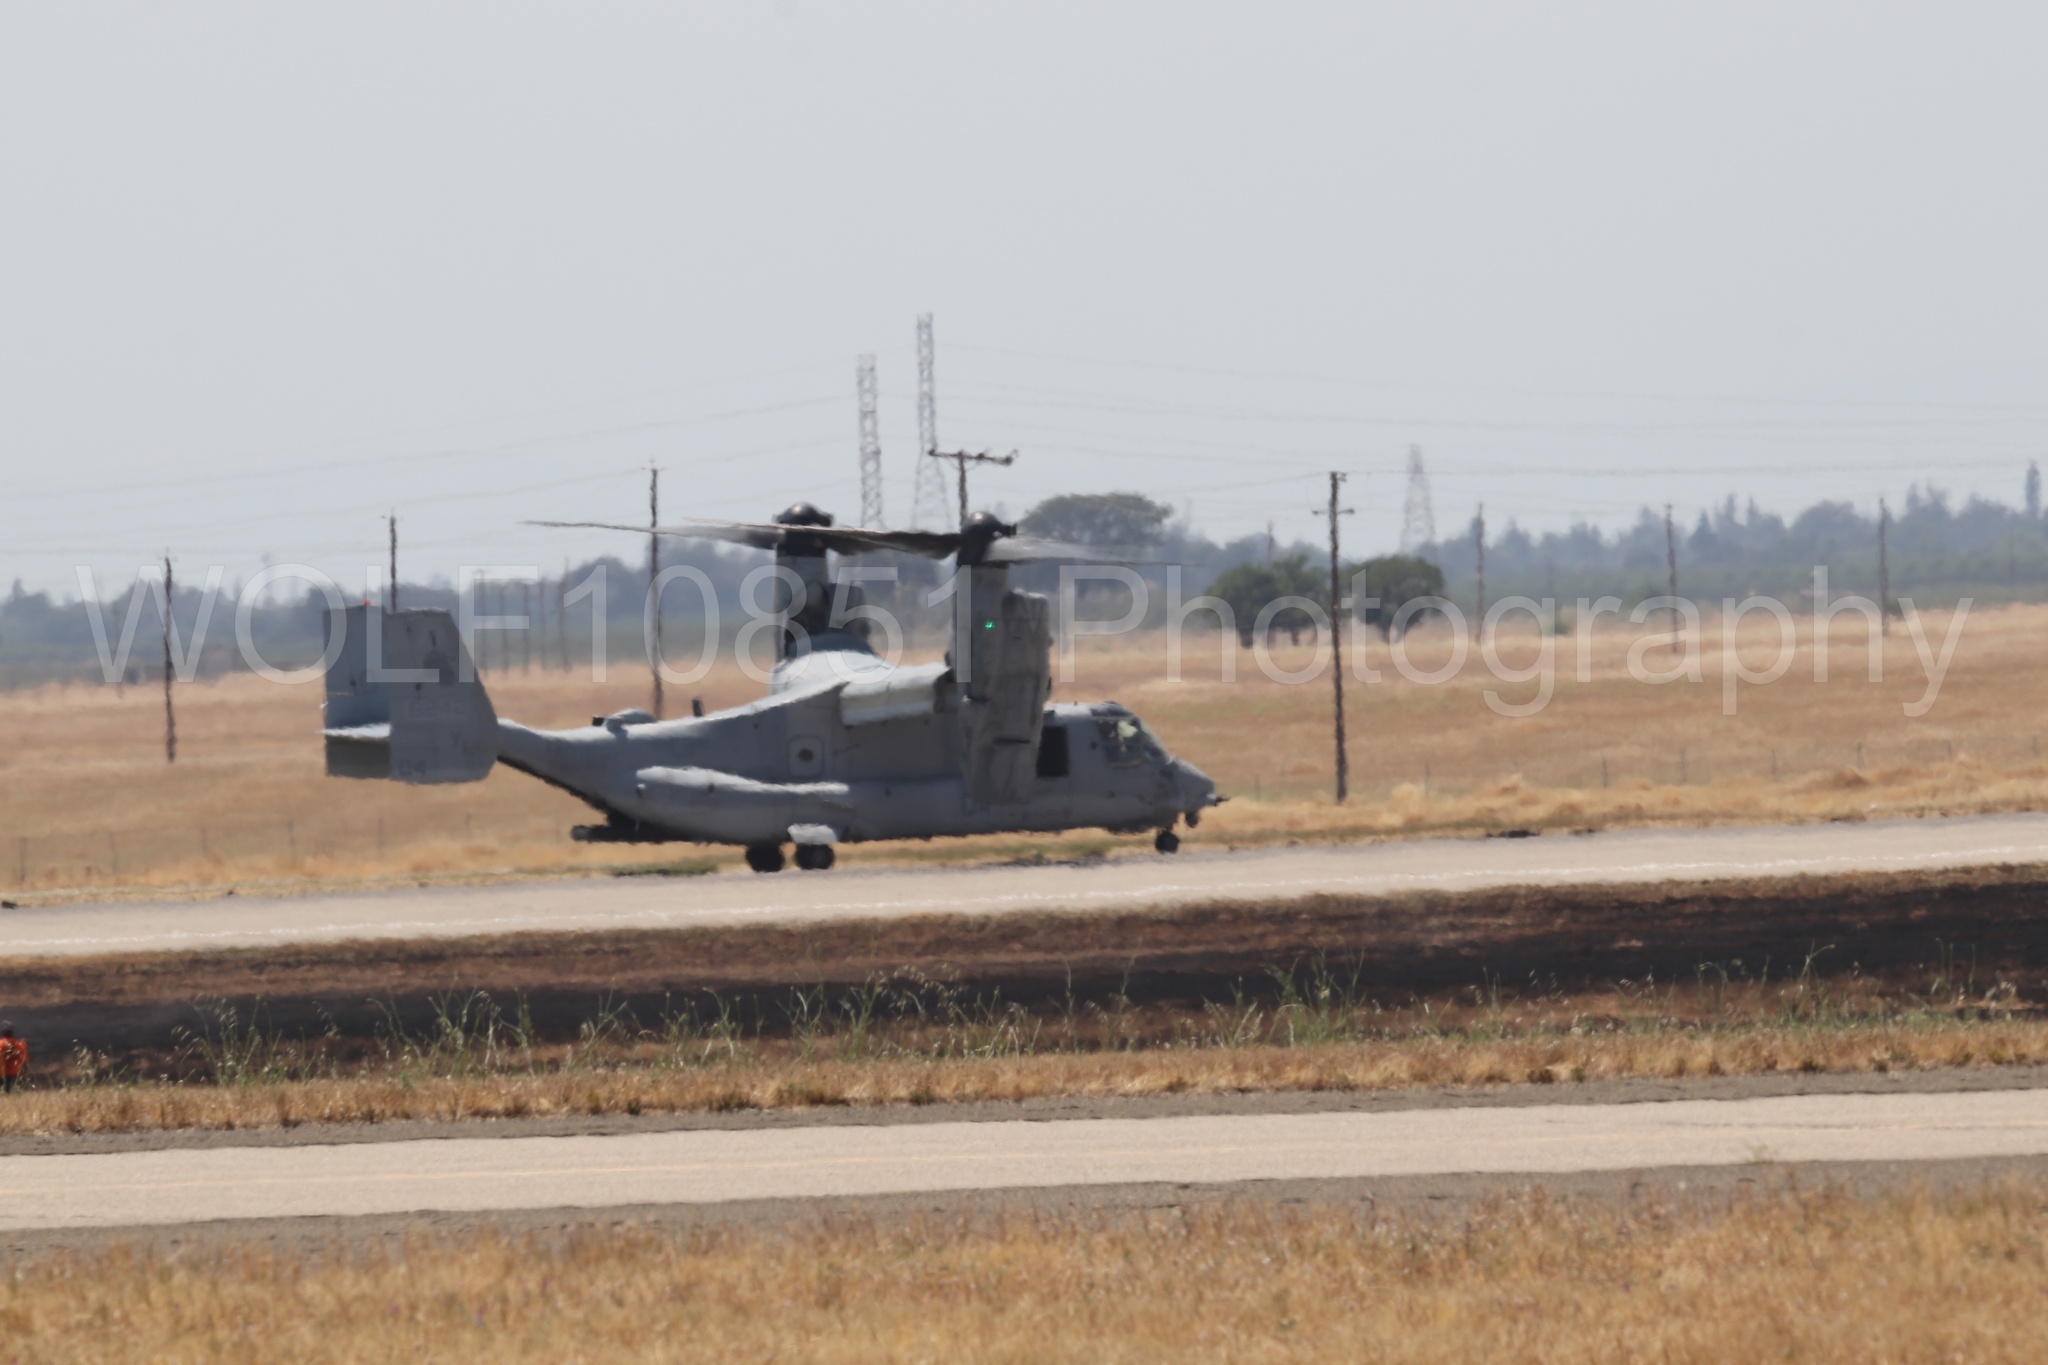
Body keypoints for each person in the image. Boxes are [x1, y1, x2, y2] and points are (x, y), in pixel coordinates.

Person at [0, 1025, 27, 1094]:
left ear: (2, 1034)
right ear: (12, 1034)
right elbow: (24, 1058)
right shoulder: (18, 1045)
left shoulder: (0, 1044)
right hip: (13, 1072)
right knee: (9, 1091)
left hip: (1, 1071)